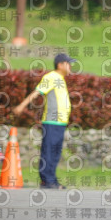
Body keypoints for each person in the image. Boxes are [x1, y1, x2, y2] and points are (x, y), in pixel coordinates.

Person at [13, 53, 76, 189]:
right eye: (68, 63)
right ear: (60, 65)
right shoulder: (51, 77)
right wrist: (21, 106)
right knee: (49, 150)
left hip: (60, 122)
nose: (70, 66)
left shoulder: (60, 79)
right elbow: (37, 92)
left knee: (55, 152)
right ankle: (46, 180)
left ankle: (52, 180)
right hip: (52, 122)